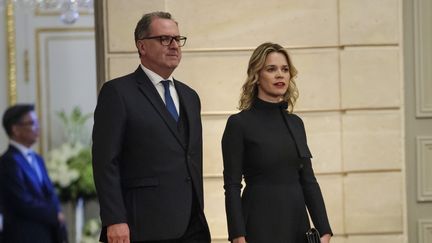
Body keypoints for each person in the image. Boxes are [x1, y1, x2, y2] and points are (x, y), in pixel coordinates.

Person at [92, 11, 211, 243]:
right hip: (142, 225)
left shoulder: (190, 96)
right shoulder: (118, 92)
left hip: (191, 225)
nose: (174, 45)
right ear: (142, 46)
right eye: (165, 39)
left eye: (178, 39)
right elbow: (105, 162)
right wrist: (114, 219)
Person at [222, 42, 333, 243]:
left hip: (297, 226)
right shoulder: (238, 124)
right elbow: (231, 185)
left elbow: (308, 180)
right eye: (271, 69)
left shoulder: (296, 123)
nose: (280, 75)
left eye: (284, 69)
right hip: (259, 224)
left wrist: (324, 230)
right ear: (256, 76)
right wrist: (237, 236)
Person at [0, 104, 67, 243]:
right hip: (24, 235)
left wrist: (57, 212)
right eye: (32, 123)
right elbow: (21, 201)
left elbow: (49, 192)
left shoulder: (37, 158)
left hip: (48, 233)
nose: (37, 127)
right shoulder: (7, 161)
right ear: (15, 129)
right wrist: (54, 215)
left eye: (37, 122)